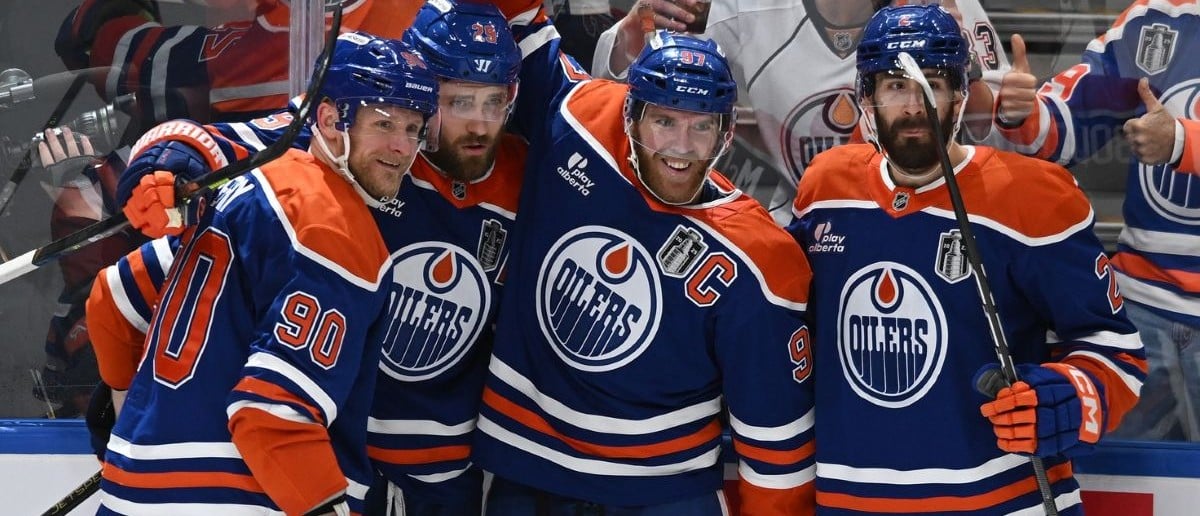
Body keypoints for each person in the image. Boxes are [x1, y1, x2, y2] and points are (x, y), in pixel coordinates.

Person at [88, 3, 527, 513]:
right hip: (266, 482)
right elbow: (273, 417)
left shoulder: (258, 190)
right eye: (459, 101)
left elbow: (114, 297)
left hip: (144, 484)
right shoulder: (329, 213)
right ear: (330, 121)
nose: (478, 124)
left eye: (494, 102)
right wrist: (162, 166)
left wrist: (129, 412)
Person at [786, 5, 1147, 513]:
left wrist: (1064, 398)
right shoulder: (826, 188)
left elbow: (1116, 352)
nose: (914, 106)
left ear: (959, 95)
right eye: (895, 86)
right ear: (866, 97)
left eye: (931, 85)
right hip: (852, 497)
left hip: (1002, 499)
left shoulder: (1032, 198)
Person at [473, 1, 816, 513]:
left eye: (702, 127)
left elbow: (778, 455)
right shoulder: (579, 120)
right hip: (526, 473)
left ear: (726, 134)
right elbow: (517, 17)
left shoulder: (759, 259)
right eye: (665, 121)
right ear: (630, 116)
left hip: (663, 494)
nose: (682, 147)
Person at [592, 0, 1009, 221]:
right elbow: (617, 91)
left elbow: (1001, 137)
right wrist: (635, 31)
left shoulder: (943, 7)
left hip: (937, 211)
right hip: (812, 222)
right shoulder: (743, 8)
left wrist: (996, 100)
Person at [992, 0, 1200, 442]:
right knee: (1120, 472)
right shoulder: (1154, 18)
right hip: (1143, 304)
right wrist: (1024, 111)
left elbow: (1179, 138)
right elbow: (1075, 115)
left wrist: (1184, 142)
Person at [55, 0, 421, 125]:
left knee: (87, 197)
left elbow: (129, 62)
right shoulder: (441, 20)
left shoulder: (295, 38)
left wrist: (108, 17)